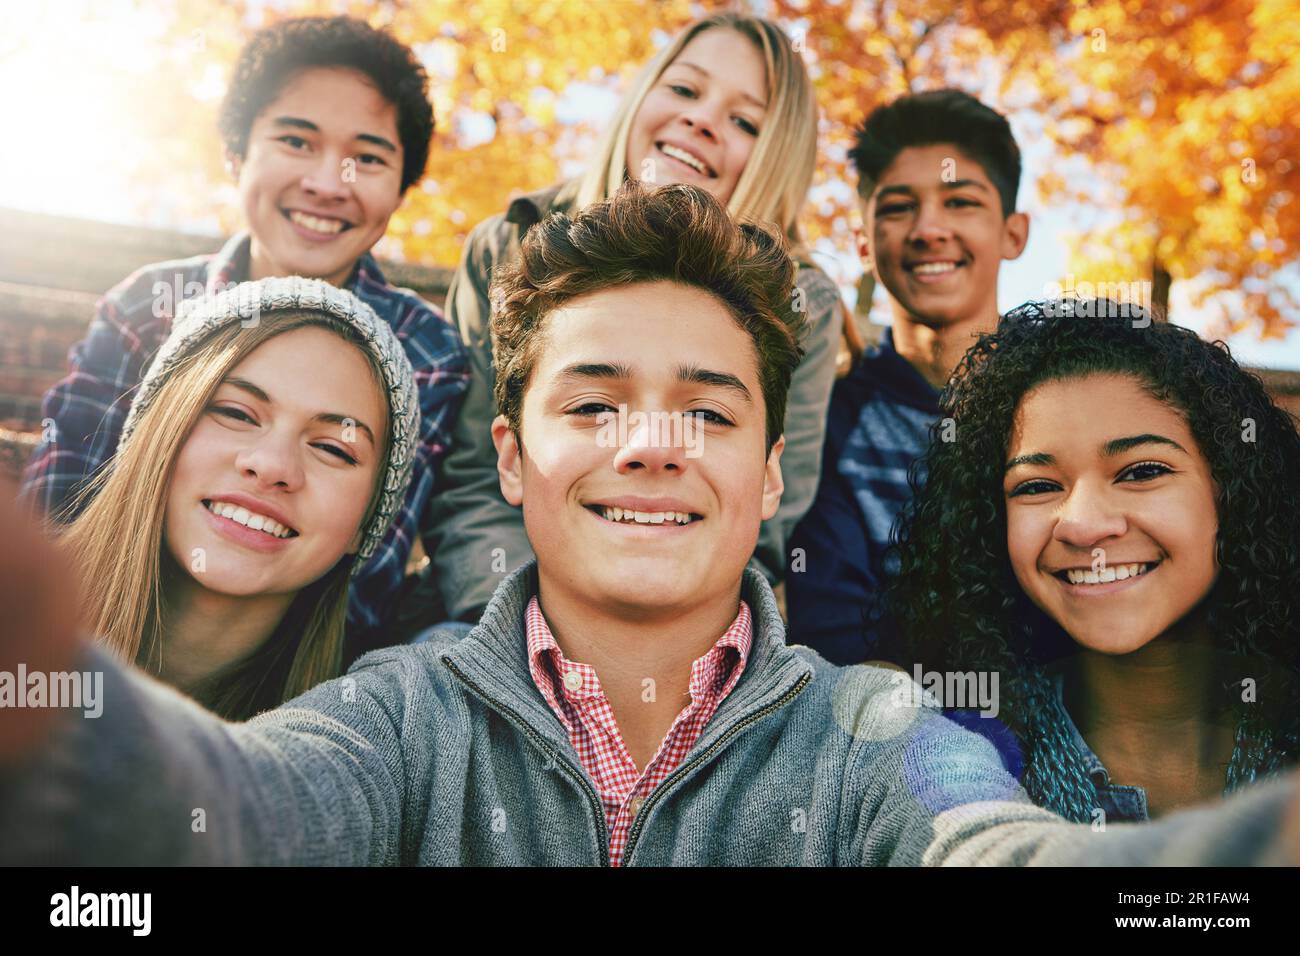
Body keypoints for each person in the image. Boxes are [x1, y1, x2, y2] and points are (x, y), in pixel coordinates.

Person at [0, 185, 1295, 867]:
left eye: (708, 410)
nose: (655, 443)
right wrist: (55, 721)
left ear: (769, 472)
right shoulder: (394, 716)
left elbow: (1000, 855)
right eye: (597, 400)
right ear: (511, 457)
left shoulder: (880, 737)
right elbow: (234, 812)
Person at [19, 16, 469, 650]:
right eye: (295, 141)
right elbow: (59, 508)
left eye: (367, 158)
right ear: (236, 154)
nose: (324, 183)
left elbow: (362, 580)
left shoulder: (427, 352)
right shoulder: (148, 306)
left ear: (400, 188)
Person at [419, 11, 843, 627]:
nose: (701, 120)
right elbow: (472, 483)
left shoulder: (804, 303)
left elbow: (760, 514)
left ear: (774, 156)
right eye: (685, 89)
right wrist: (515, 635)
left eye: (744, 121)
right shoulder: (508, 242)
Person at [885, 299, 1300, 822]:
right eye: (1036, 486)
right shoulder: (941, 767)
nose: (1082, 525)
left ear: (1233, 490)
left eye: (1142, 471)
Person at [59, 277, 419, 720]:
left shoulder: (364, 737)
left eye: (332, 447)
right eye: (235, 413)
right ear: (156, 433)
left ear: (366, 522)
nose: (271, 466)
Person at [785, 90, 1029, 663]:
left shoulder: (1068, 402)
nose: (928, 229)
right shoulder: (829, 418)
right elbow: (835, 645)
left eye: (960, 202)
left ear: (1013, 234)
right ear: (865, 243)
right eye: (898, 208)